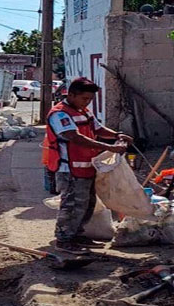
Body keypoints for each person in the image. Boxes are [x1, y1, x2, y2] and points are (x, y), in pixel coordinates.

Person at [46, 77, 133, 255]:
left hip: (86, 167)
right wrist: (110, 147)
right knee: (71, 206)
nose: (88, 102)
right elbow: (74, 137)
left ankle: (76, 235)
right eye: (85, 98)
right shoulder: (60, 114)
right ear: (71, 95)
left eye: (90, 99)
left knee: (87, 204)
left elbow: (98, 129)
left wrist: (118, 135)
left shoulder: (83, 111)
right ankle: (63, 239)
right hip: (69, 169)